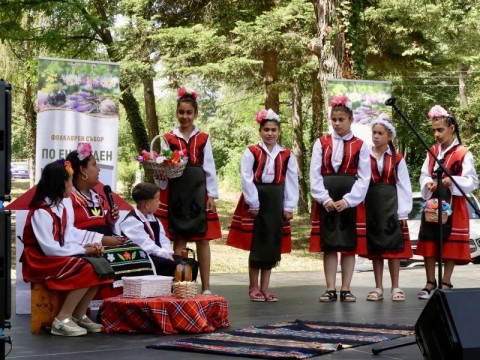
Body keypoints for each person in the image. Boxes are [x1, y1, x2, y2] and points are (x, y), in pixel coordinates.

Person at [21, 160, 114, 336]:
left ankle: (78, 314)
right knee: (87, 268)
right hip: (40, 259)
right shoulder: (42, 211)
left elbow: (66, 236)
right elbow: (49, 248)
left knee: (102, 264)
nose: (72, 187)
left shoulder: (61, 206)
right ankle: (62, 319)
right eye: (70, 183)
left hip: (55, 254)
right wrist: (84, 251)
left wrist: (87, 246)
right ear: (59, 184)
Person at [226, 109, 299, 302]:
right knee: (257, 243)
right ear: (260, 131)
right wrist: (253, 201)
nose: (270, 133)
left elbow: (291, 181)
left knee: (271, 244)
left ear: (279, 131)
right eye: (266, 129)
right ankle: (253, 287)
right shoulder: (252, 152)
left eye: (274, 130)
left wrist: (289, 205)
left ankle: (266, 287)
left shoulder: (286, 155)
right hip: (257, 199)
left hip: (276, 199)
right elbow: (246, 178)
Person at [155, 86, 222, 295]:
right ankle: (179, 284)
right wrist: (162, 176)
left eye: (189, 112)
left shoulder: (203, 138)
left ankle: (207, 287)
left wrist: (211, 195)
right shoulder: (167, 138)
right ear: (176, 113)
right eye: (181, 112)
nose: (185, 116)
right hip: (177, 191)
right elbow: (162, 166)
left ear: (196, 114)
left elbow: (209, 167)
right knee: (179, 238)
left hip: (198, 192)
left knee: (203, 239)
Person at [66, 143, 154, 292]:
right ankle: (109, 304)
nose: (98, 169)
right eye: (94, 165)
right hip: (86, 242)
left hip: (106, 238)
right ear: (82, 170)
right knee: (115, 257)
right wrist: (101, 239)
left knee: (139, 252)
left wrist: (110, 221)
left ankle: (135, 302)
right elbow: (69, 231)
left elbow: (99, 222)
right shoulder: (69, 198)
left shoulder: (97, 196)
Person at [309, 95, 371, 302]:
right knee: (329, 245)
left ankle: (346, 288)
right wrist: (323, 198)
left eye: (341, 119)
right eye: (334, 119)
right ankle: (329, 287)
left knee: (347, 245)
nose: (337, 123)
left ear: (350, 120)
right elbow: (315, 174)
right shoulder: (321, 143)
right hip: (326, 198)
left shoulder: (360, 145)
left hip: (349, 198)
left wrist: (349, 200)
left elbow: (364, 177)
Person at [417, 105, 478, 299]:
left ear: (451, 128)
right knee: (429, 240)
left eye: (440, 129)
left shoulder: (463, 153)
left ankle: (446, 282)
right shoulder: (432, 151)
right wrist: (428, 183)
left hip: (454, 203)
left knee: (450, 242)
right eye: (434, 130)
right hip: (433, 202)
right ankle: (429, 282)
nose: (437, 134)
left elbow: (472, 181)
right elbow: (424, 174)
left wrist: (453, 180)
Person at [364, 118, 413, 301]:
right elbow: (361, 182)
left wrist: (403, 212)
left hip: (392, 204)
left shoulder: (397, 158)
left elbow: (404, 185)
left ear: (389, 136)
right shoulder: (365, 156)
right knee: (376, 247)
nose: (376, 137)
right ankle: (378, 287)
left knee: (393, 247)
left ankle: (396, 286)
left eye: (380, 133)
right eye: (374, 133)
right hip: (372, 205)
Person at [120, 182, 179, 277]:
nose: (159, 203)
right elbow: (146, 245)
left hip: (157, 255)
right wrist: (166, 255)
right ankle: (167, 291)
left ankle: (183, 291)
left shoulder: (154, 219)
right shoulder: (131, 221)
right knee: (173, 266)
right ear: (147, 204)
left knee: (187, 264)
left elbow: (163, 239)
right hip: (143, 258)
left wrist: (168, 252)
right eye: (157, 200)